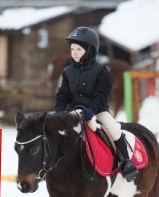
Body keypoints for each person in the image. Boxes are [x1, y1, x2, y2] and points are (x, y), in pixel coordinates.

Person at [55, 26, 138, 182]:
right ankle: (48, 164)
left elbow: (101, 96)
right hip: (72, 111)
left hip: (97, 111)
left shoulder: (101, 71)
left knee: (113, 129)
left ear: (90, 50)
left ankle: (126, 163)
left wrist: (91, 111)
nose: (74, 52)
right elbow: (63, 94)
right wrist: (60, 111)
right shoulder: (67, 71)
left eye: (78, 49)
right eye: (72, 49)